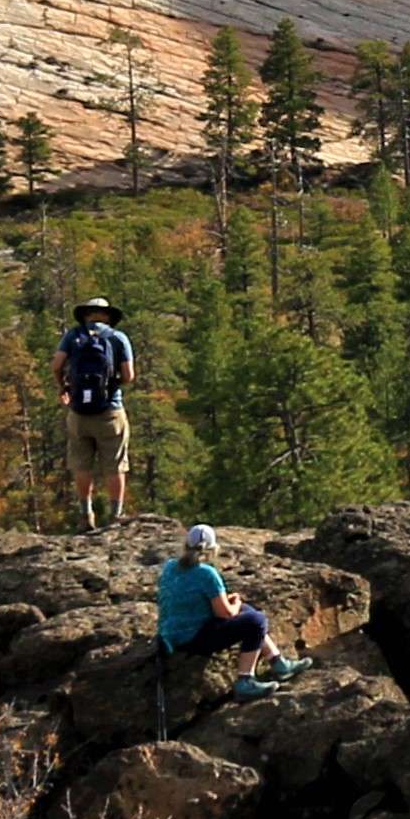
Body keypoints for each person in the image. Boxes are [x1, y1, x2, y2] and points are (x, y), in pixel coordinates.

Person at [154, 523, 301, 700]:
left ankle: (277, 662)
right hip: (192, 638)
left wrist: (235, 605)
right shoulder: (206, 573)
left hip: (171, 634)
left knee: (246, 610)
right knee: (256, 621)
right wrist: (236, 602)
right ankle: (245, 681)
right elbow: (225, 614)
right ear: (212, 549)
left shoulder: (170, 567)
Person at [56, 297, 136, 530]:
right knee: (115, 464)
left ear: (86, 314)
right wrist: (111, 385)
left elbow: (56, 365)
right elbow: (129, 376)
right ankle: (115, 515)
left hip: (79, 412)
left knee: (82, 465)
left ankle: (86, 514)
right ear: (108, 316)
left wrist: (64, 388)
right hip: (110, 410)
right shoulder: (118, 338)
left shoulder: (73, 336)